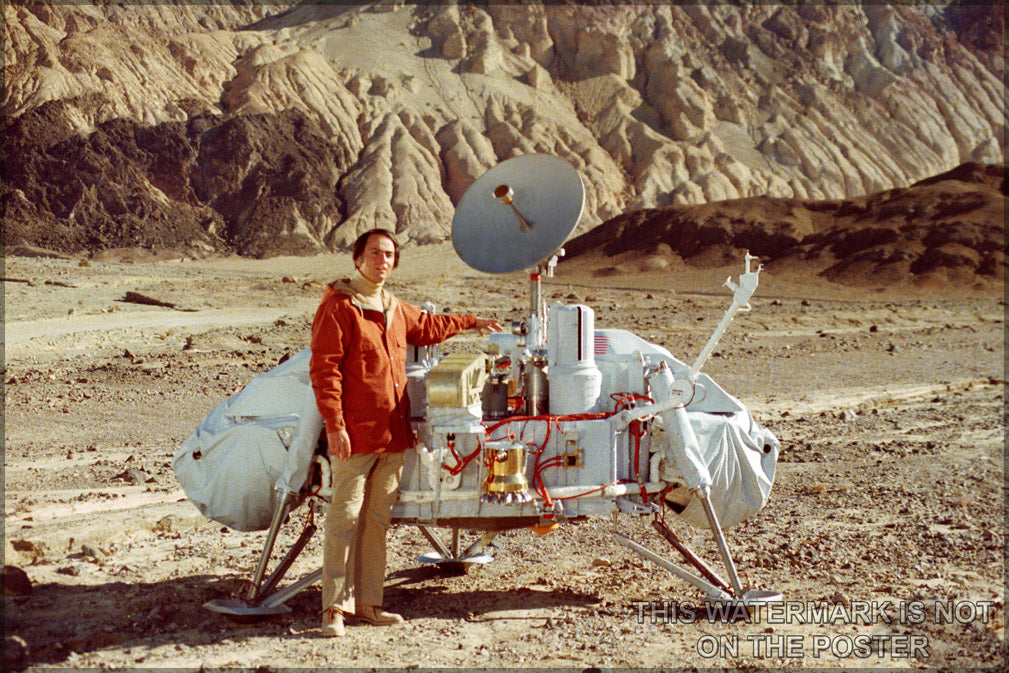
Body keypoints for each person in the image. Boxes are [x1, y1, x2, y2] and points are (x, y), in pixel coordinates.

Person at [309, 227, 501, 637]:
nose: (383, 260)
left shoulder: (394, 307)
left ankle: (369, 605)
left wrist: (471, 322)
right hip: (354, 437)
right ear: (357, 259)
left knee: (376, 522)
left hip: (393, 437)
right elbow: (324, 372)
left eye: (390, 255)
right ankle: (333, 610)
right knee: (344, 519)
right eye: (375, 253)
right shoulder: (340, 306)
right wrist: (335, 427)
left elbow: (430, 326)